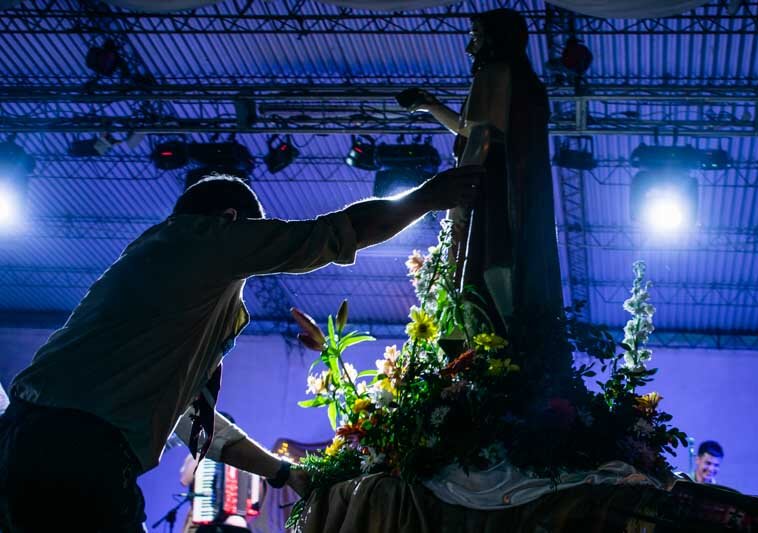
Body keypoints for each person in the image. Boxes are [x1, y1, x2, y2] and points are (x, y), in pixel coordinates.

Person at [0, 167, 481, 533]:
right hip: (75, 455)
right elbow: (333, 234)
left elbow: (195, 422)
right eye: (256, 232)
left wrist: (282, 474)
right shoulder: (201, 239)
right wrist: (426, 198)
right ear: (232, 222)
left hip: (26, 444)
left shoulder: (166, 298)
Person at [401, 9, 569, 380]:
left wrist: (459, 201)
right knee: (504, 262)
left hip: (488, 186)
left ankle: (487, 348)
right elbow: (471, 128)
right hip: (513, 188)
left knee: (482, 267)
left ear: (495, 38)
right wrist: (431, 105)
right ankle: (508, 343)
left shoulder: (493, 73)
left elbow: (476, 137)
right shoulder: (526, 83)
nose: (469, 46)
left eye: (476, 34)